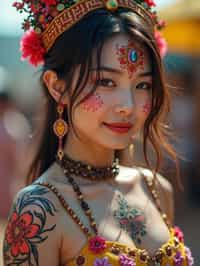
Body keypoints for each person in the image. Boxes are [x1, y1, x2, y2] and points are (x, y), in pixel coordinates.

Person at [2, 0, 194, 265]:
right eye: (106, 82)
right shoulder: (39, 209)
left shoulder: (156, 189)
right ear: (58, 87)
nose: (128, 106)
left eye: (142, 85)